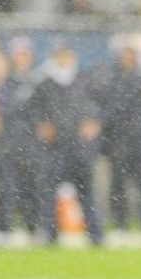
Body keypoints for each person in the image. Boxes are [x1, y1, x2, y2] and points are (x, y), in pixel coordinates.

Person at [32, 44, 104, 246]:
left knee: (86, 192)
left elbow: (99, 106)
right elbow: (35, 111)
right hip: (55, 146)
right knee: (48, 191)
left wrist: (93, 121)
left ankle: (96, 234)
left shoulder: (84, 80)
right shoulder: (46, 84)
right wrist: (42, 125)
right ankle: (49, 233)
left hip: (79, 146)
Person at [94, 46, 141, 243]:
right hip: (120, 145)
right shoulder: (111, 81)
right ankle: (121, 226)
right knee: (118, 188)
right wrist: (109, 144)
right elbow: (108, 114)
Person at [0, 36, 43, 242]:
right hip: (11, 140)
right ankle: (3, 228)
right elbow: (5, 111)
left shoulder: (36, 82)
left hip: (31, 142)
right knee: (7, 187)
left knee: (32, 185)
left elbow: (42, 112)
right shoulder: (6, 83)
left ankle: (33, 227)